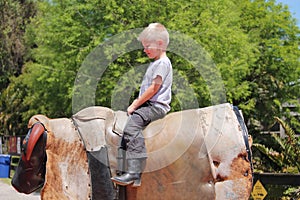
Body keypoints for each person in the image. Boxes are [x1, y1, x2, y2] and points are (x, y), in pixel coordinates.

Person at [111, 23, 173, 187]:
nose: (145, 50)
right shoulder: (156, 63)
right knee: (126, 131)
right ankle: (124, 171)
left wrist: (135, 104)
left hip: (155, 107)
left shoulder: (162, 63)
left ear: (160, 43)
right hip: (149, 106)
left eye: (147, 46)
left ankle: (134, 171)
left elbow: (154, 88)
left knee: (132, 129)